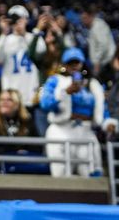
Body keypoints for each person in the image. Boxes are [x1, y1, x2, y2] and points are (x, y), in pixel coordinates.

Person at [39, 47, 108, 177]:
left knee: (91, 174)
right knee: (61, 174)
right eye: (70, 62)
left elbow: (102, 108)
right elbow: (45, 104)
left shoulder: (92, 84)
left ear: (82, 63)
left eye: (77, 62)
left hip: (86, 131)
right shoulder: (55, 80)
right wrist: (65, 92)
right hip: (61, 130)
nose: (74, 66)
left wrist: (107, 123)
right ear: (64, 64)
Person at [0, 4, 40, 111]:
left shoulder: (34, 37)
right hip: (11, 98)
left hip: (31, 94)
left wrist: (23, 34)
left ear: (26, 20)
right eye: (14, 19)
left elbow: (41, 52)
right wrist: (3, 33)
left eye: (20, 19)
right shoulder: (4, 40)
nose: (17, 22)